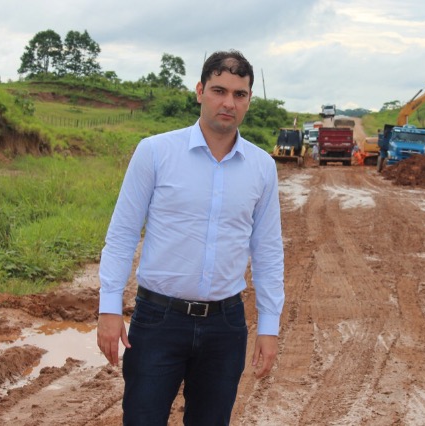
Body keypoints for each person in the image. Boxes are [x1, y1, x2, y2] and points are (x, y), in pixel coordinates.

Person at [96, 49, 285, 426]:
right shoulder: (155, 152)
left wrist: (269, 327)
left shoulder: (262, 167)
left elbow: (267, 251)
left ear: (249, 100)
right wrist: (109, 308)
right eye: (219, 90)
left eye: (239, 94)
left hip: (225, 326)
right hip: (158, 321)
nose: (228, 103)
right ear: (200, 91)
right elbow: (122, 234)